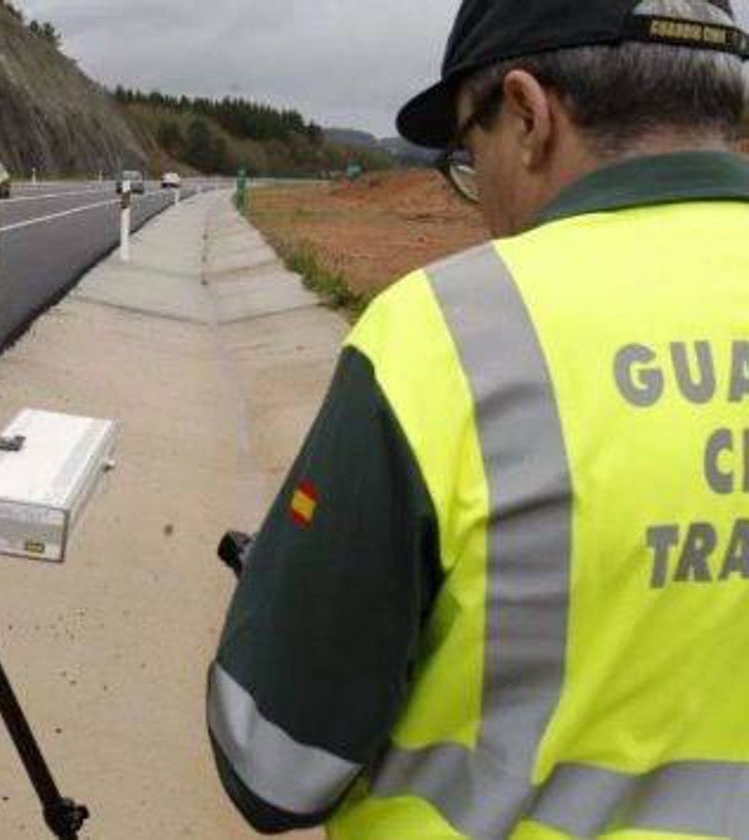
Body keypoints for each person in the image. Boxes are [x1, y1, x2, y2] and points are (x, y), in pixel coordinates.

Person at [206, 0, 749, 837]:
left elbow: (275, 762)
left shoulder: (447, 334)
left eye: (469, 150)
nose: (475, 188)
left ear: (530, 114)